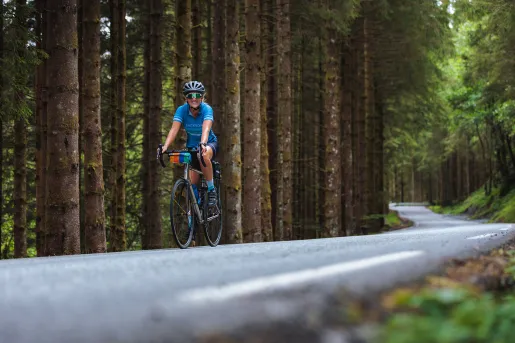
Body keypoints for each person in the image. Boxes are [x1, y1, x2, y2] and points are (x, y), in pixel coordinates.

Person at [160, 81, 218, 207]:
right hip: (192, 147)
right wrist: (165, 146)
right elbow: (174, 129)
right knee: (191, 187)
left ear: (202, 97)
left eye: (197, 96)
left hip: (208, 143)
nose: (194, 98)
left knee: (203, 155)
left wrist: (203, 143)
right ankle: (194, 213)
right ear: (185, 97)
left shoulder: (207, 109)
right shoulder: (182, 110)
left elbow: (206, 128)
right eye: (190, 96)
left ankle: (211, 189)